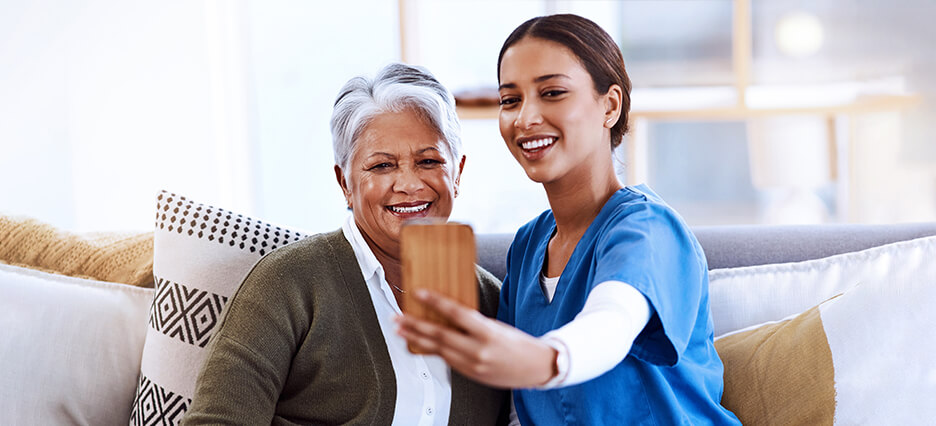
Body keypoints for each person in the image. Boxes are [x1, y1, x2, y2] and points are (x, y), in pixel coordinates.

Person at [396, 14, 741, 425]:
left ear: (609, 106)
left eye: (553, 92)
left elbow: (612, 322)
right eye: (510, 100)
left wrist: (544, 360)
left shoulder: (648, 229)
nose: (525, 118)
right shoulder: (527, 247)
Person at [183, 63, 508, 425]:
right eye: (382, 166)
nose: (409, 184)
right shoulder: (287, 283)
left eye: (428, 161)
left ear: (457, 173)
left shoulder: (493, 304)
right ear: (345, 184)